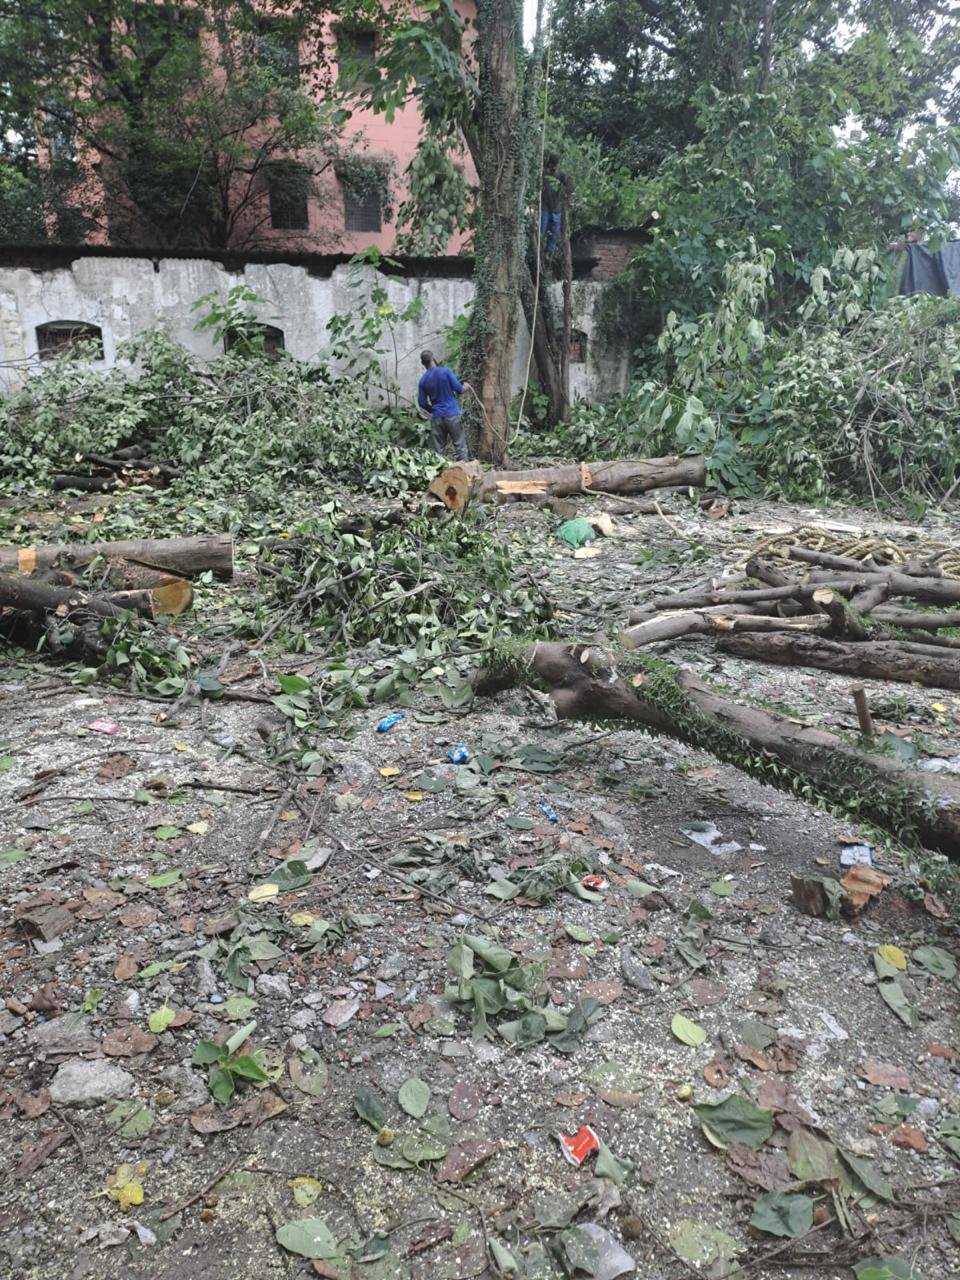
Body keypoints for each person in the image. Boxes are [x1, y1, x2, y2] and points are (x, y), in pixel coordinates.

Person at [417, 350, 471, 461]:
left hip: (437, 417)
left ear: (422, 363)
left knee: (438, 451)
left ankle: (440, 470)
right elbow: (459, 389)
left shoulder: (423, 381)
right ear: (433, 358)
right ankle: (464, 469)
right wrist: (466, 386)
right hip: (452, 414)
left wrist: (433, 410)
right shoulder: (446, 371)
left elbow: (422, 403)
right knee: (460, 445)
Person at [540, 153, 568, 259]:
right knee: (541, 229)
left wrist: (568, 195)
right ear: (550, 164)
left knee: (554, 232)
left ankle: (549, 254)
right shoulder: (542, 173)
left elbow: (569, 185)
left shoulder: (560, 175)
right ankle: (536, 252)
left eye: (556, 165)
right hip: (544, 207)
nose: (555, 167)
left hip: (556, 208)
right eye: (553, 165)